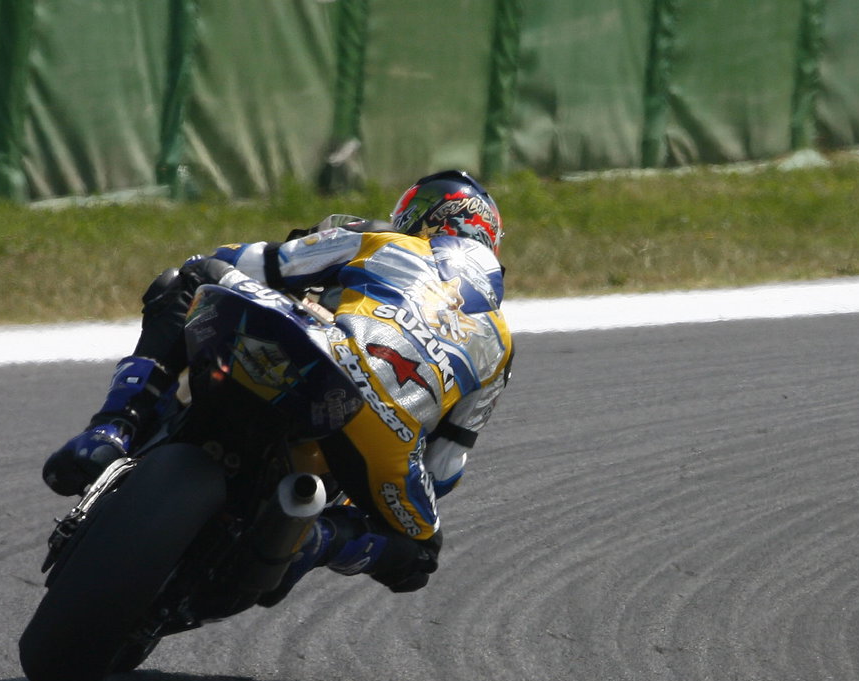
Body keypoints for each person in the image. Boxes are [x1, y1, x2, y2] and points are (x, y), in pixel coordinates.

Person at [41, 170, 514, 596]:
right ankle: (312, 540)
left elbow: (251, 262)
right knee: (419, 556)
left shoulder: (384, 240)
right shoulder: (501, 344)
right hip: (385, 438)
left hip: (325, 354)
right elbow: (444, 470)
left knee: (189, 276)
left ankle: (112, 428)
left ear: (421, 216)